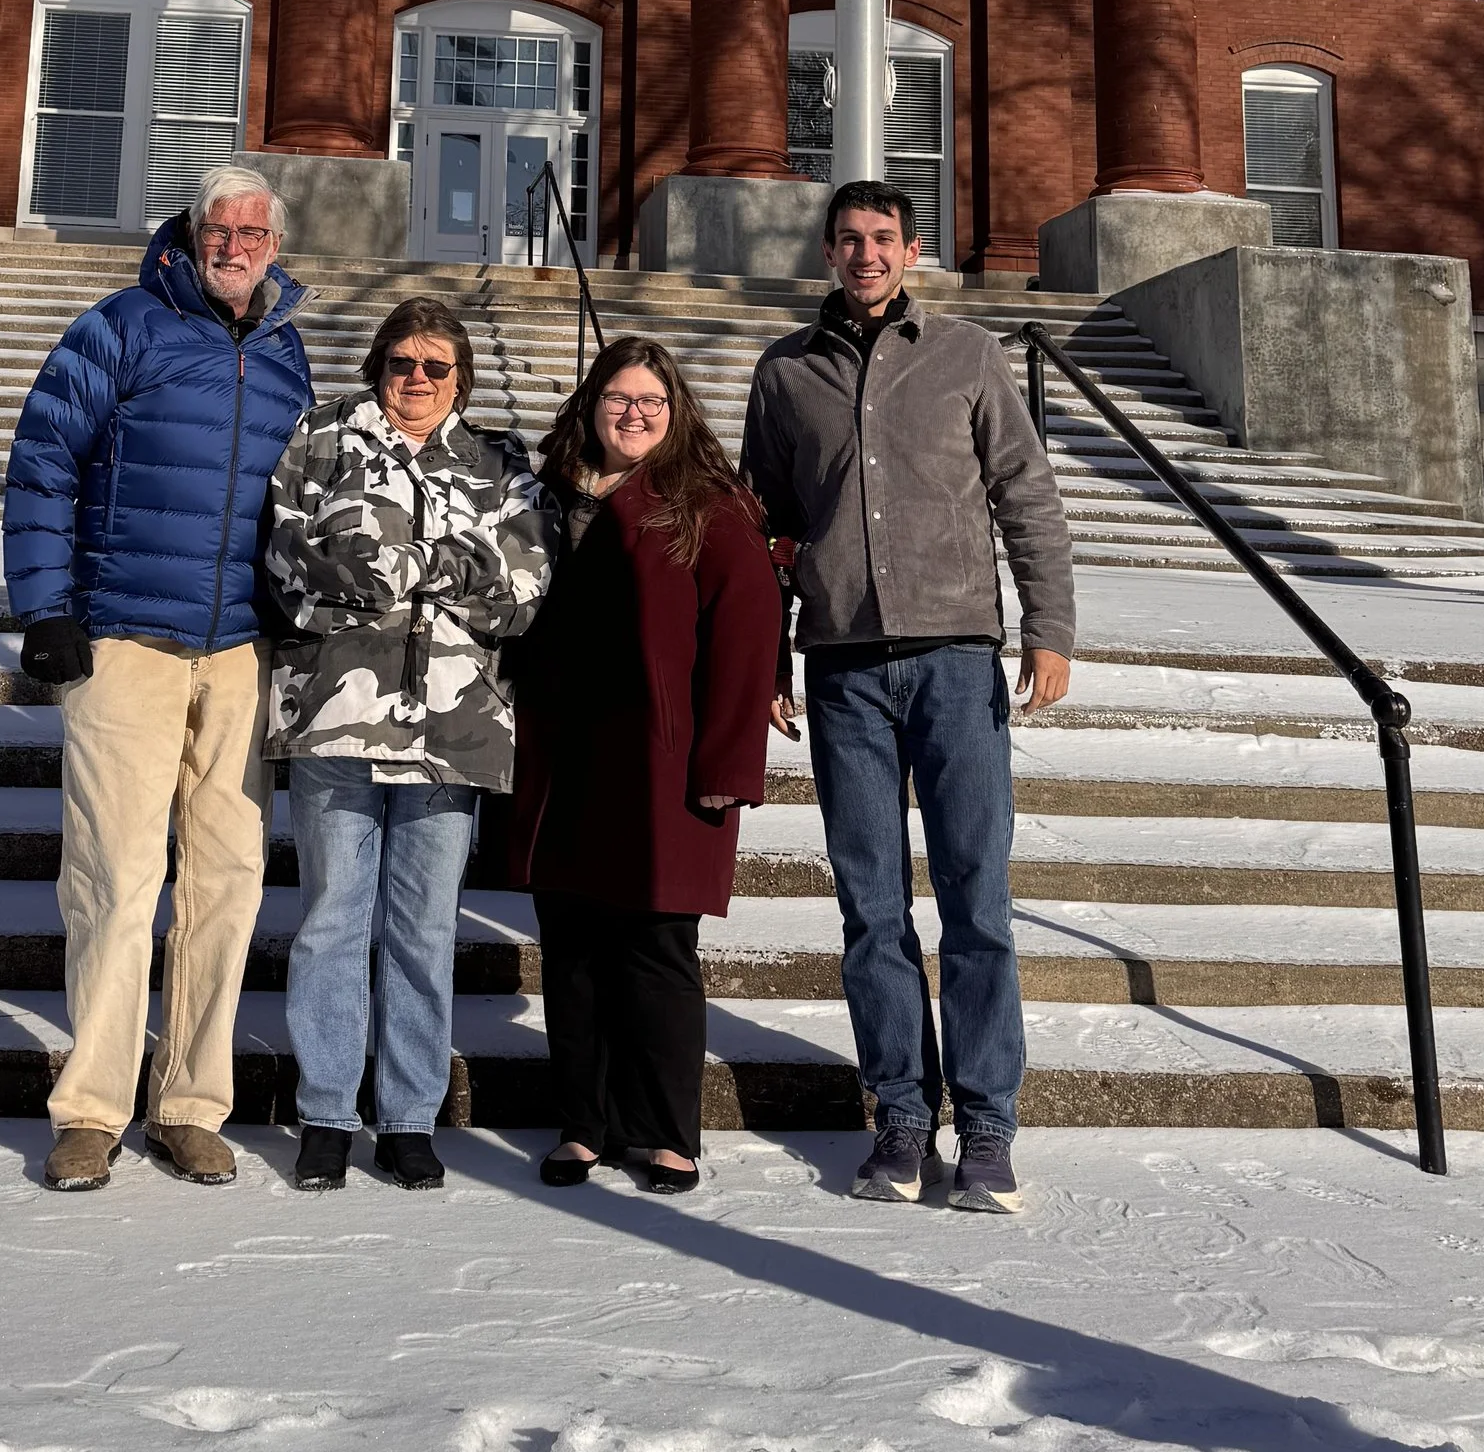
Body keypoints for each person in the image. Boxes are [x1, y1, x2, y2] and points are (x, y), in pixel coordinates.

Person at [741, 178, 1075, 1217]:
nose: (865, 254)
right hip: (843, 668)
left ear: (911, 250)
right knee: (870, 909)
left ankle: (984, 1127)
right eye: (848, 240)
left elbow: (1026, 492)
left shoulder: (969, 355)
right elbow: (763, 530)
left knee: (976, 900)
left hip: (955, 659)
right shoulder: (786, 371)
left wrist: (1048, 629)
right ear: (828, 254)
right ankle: (897, 1116)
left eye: (882, 238)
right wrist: (767, 658)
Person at [2, 165, 312, 1195]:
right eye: (218, 229)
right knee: (115, 878)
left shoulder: (284, 352)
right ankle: (91, 1109)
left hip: (239, 651)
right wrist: (45, 607)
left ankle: (189, 1104)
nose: (235, 246)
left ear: (276, 247)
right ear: (188, 235)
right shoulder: (121, 326)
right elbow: (45, 457)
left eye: (253, 234)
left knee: (226, 882)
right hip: (124, 642)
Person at [263, 294, 551, 1194]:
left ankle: (409, 1116)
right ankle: (324, 1113)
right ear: (377, 368)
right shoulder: (322, 439)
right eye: (401, 364)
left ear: (460, 379)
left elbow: (525, 589)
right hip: (336, 722)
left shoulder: (500, 462)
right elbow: (286, 565)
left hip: (452, 731)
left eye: (435, 367)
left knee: (423, 934)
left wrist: (406, 569)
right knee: (331, 926)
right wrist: (431, 571)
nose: (415, 381)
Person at [507, 336, 781, 1195]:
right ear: (591, 406)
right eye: (619, 399)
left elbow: (747, 635)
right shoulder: (544, 494)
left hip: (663, 764)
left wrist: (728, 765)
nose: (634, 415)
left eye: (651, 403)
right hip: (564, 757)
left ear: (676, 413)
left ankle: (665, 1132)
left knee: (657, 948)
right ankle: (584, 1125)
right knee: (574, 948)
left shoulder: (709, 502)